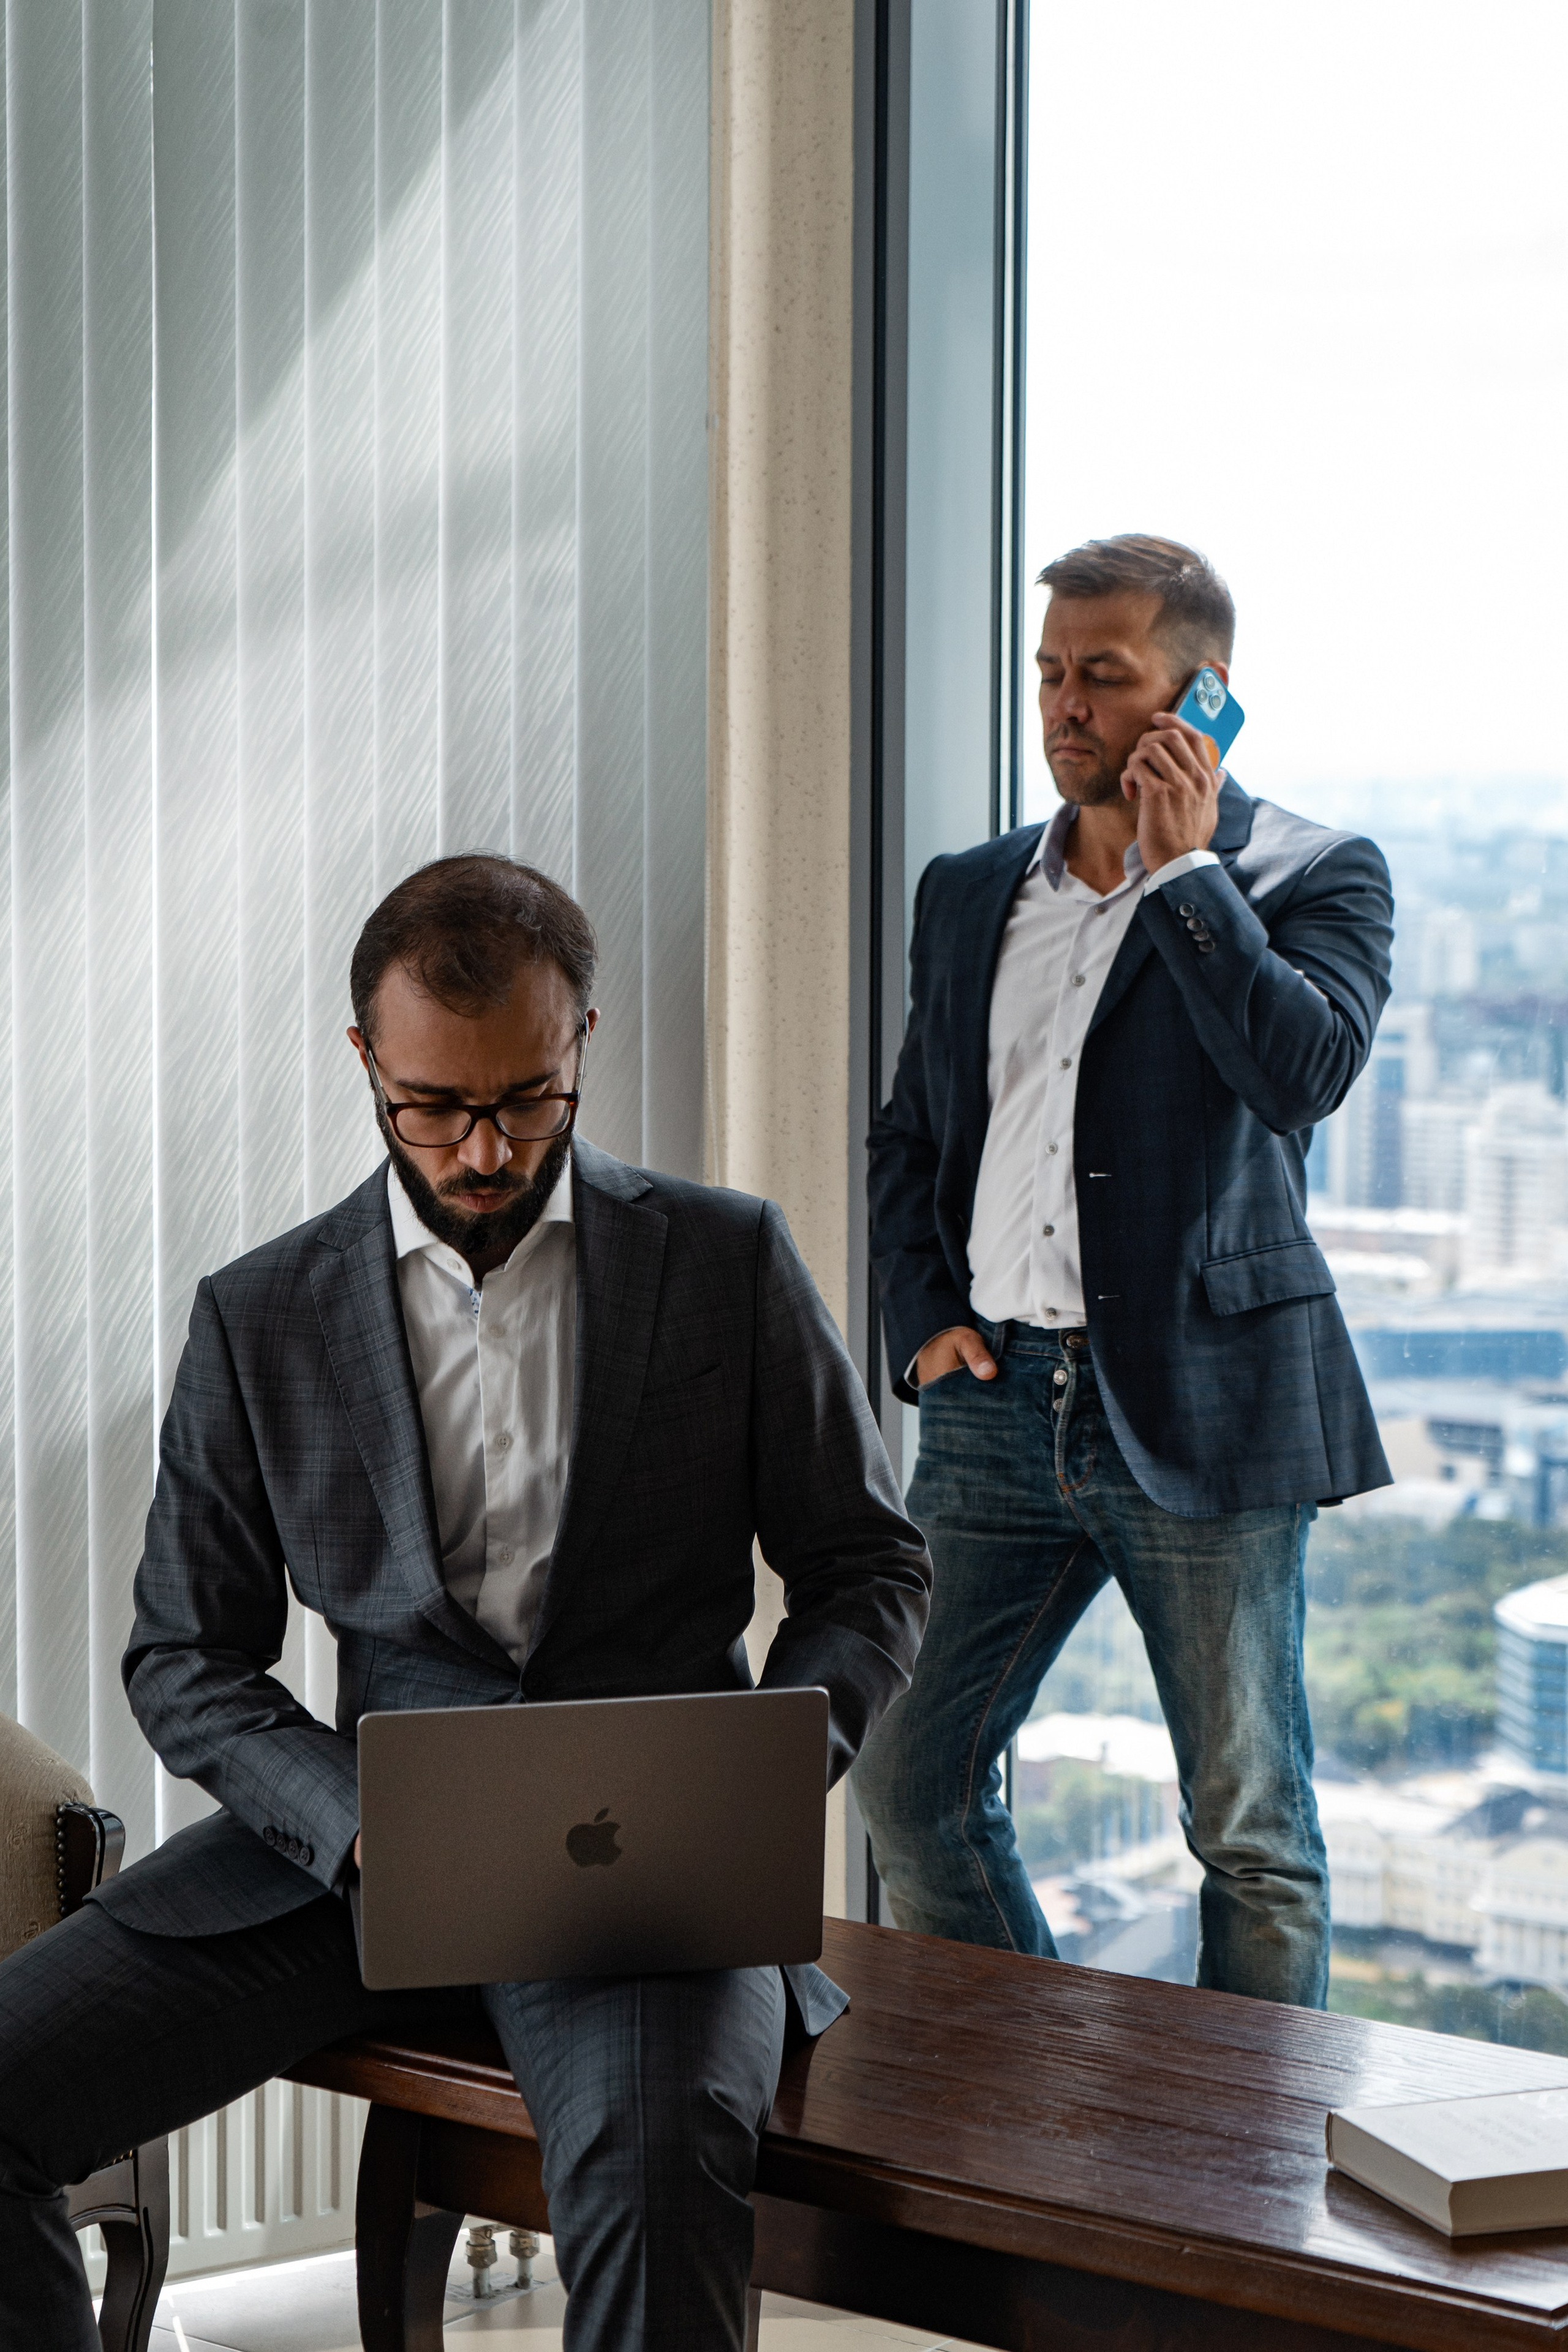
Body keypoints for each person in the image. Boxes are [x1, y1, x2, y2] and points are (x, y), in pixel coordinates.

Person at [0, 854, 931, 2352]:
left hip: (643, 1874)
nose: (484, 1147)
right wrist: (352, 1816)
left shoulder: (723, 1262)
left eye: (526, 1098)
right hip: (351, 1856)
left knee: (656, 2170)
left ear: (583, 1044)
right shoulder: (262, 1314)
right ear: (365, 1061)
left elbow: (866, 1563)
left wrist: (760, 1774)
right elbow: (185, 1653)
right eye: (433, 1106)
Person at [853, 534, 1392, 2008]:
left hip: (1203, 1409)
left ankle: (1237, 2196)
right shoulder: (968, 893)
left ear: (1198, 700)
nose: (1064, 705)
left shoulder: (1308, 876)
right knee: (906, 1782)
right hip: (989, 1407)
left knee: (1247, 1828)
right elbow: (908, 1137)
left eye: (1104, 674)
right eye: (1049, 672)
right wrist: (925, 1327)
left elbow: (1300, 1076)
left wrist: (1186, 873)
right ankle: (1011, 2128)